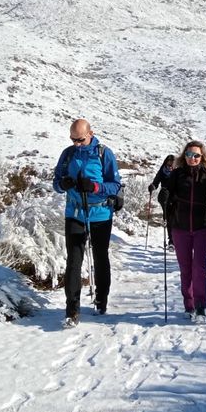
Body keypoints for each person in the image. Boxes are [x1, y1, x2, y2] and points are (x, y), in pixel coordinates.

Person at [52, 118, 122, 329]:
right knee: (74, 261)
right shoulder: (68, 154)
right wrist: (63, 184)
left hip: (100, 214)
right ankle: (72, 310)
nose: (76, 144)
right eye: (73, 139)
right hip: (75, 213)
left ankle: (102, 299)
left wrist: (94, 187)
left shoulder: (104, 153)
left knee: (100, 257)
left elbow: (115, 185)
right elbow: (56, 182)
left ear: (90, 134)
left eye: (80, 140)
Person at [165, 140, 206, 323]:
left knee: (199, 268)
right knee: (185, 269)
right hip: (180, 227)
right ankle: (188, 305)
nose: (192, 158)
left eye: (196, 155)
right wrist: (164, 196)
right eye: (189, 155)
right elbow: (167, 193)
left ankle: (200, 306)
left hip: (203, 227)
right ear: (184, 156)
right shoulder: (177, 174)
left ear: (202, 157)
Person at [148, 154, 176, 250]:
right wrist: (152, 186)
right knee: (168, 218)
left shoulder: (178, 171)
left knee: (176, 218)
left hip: (176, 197)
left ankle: (176, 239)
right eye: (169, 162)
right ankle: (171, 241)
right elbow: (156, 182)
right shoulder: (162, 171)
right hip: (165, 196)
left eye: (172, 162)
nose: (170, 165)